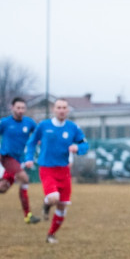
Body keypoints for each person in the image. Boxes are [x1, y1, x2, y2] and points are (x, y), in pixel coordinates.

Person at [25, 98, 89, 243]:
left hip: (64, 171)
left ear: (67, 110)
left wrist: (78, 148)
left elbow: (85, 144)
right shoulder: (43, 125)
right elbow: (32, 142)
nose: (61, 110)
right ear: (54, 109)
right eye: (59, 107)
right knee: (54, 197)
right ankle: (47, 204)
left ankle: (51, 234)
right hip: (47, 169)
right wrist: (29, 157)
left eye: (64, 108)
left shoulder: (73, 127)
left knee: (63, 205)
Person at [0, 98, 41, 224]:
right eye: (18, 107)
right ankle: (28, 215)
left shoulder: (29, 123)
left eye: (22, 108)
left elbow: (38, 135)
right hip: (6, 158)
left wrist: (41, 141)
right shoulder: (4, 122)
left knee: (2, 188)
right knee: (25, 178)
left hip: (18, 159)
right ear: (12, 108)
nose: (20, 110)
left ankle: (27, 215)